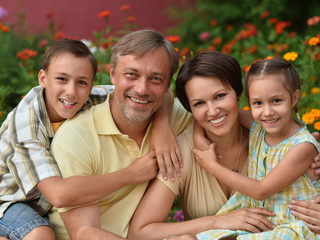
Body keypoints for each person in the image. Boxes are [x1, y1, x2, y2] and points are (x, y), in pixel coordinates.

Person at [0, 38, 180, 240]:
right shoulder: (26, 124)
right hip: (11, 202)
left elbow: (157, 94)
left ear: (91, 84)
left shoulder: (91, 97)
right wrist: (131, 174)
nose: (71, 91)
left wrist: (162, 127)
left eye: (81, 82)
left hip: (45, 206)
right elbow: (58, 195)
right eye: (62, 79)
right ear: (42, 78)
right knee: (39, 235)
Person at [128, 51, 320, 240]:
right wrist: (217, 222)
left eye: (220, 96)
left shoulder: (264, 133)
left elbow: (294, 147)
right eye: (199, 104)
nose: (212, 111)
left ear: (237, 94)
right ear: (190, 109)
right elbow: (140, 233)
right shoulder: (184, 151)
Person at [47, 29, 193, 239]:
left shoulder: (177, 119)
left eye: (156, 79)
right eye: (131, 75)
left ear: (167, 84)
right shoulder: (77, 137)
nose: (142, 89)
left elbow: (228, 119)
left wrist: (162, 124)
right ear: (113, 74)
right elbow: (85, 233)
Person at [194, 57, 320, 239]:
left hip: (291, 225)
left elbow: (261, 190)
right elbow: (216, 114)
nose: (267, 112)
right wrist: (198, 137)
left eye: (276, 100)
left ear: (294, 98)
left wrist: (213, 167)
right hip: (259, 217)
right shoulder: (259, 127)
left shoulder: (303, 146)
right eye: (258, 103)